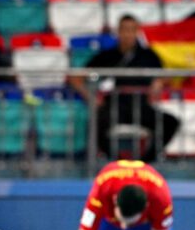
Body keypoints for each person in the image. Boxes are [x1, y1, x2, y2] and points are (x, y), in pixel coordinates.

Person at [69, 15, 179, 162]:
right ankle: (118, 163)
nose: (127, 34)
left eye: (132, 30)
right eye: (124, 30)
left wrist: (159, 81)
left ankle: (144, 163)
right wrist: (91, 98)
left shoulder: (148, 55)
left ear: (137, 32)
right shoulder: (107, 56)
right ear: (118, 32)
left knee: (171, 122)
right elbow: (75, 78)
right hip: (115, 106)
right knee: (94, 123)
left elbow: (167, 76)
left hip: (141, 105)